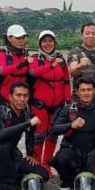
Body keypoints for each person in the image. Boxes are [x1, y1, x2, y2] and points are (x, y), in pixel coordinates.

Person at [49, 79, 95, 190]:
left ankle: (86, 172)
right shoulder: (69, 109)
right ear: (77, 92)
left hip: (93, 154)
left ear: (94, 91)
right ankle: (69, 179)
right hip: (73, 151)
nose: (86, 93)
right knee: (59, 159)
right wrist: (71, 125)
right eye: (83, 90)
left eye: (89, 90)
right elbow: (54, 130)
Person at [0, 82, 46, 190]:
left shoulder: (26, 115)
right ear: (10, 97)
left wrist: (30, 154)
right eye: (18, 95)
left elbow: (30, 134)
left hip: (11, 155)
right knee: (5, 146)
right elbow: (0, 134)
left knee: (42, 175)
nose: (22, 99)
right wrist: (27, 123)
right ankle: (4, 188)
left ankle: (13, 177)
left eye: (25, 96)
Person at [29, 30, 72, 166]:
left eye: (50, 41)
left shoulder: (61, 60)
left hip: (57, 105)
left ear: (55, 42)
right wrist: (51, 64)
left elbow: (66, 81)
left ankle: (47, 164)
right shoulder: (35, 59)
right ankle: (36, 164)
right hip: (39, 105)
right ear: (40, 44)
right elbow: (33, 72)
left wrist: (68, 100)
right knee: (39, 135)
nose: (48, 44)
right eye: (44, 41)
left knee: (52, 135)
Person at [67, 22, 95, 101]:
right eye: (87, 33)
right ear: (81, 35)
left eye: (93, 33)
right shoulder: (75, 52)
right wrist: (80, 66)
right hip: (79, 100)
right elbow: (72, 72)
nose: (90, 36)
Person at [0, 25, 33, 108]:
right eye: (18, 38)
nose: (21, 40)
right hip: (3, 100)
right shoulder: (3, 54)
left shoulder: (25, 55)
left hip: (20, 102)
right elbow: (1, 71)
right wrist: (21, 65)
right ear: (9, 38)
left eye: (23, 38)